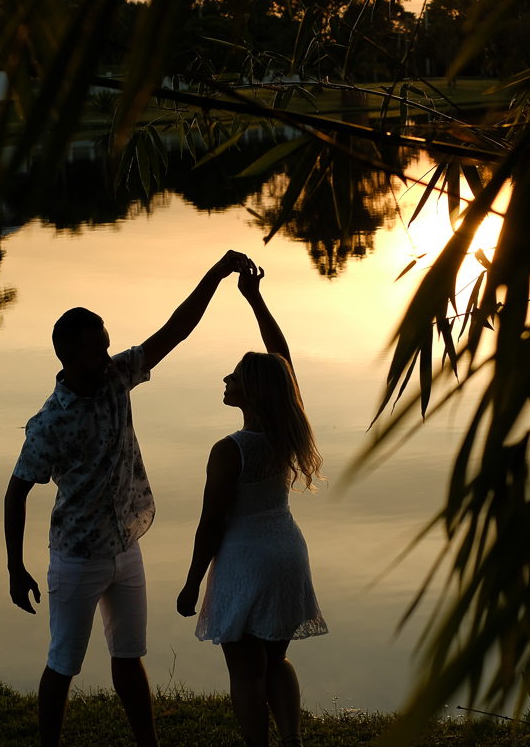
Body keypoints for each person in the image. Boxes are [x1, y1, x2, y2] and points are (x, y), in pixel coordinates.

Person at [5, 250, 256, 747]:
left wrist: (218, 271)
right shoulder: (50, 422)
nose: (108, 357)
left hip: (126, 548)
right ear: (69, 358)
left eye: (108, 347)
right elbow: (17, 491)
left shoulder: (117, 377)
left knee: (129, 658)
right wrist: (15, 566)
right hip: (76, 558)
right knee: (63, 663)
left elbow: (175, 331)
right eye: (98, 352)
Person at [177, 264, 328, 747]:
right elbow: (279, 358)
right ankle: (291, 741)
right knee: (276, 659)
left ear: (252, 390)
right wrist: (254, 298)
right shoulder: (287, 431)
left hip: (247, 560)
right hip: (287, 553)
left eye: (236, 376)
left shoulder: (230, 450)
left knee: (245, 671)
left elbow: (210, 525)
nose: (227, 378)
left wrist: (190, 583)